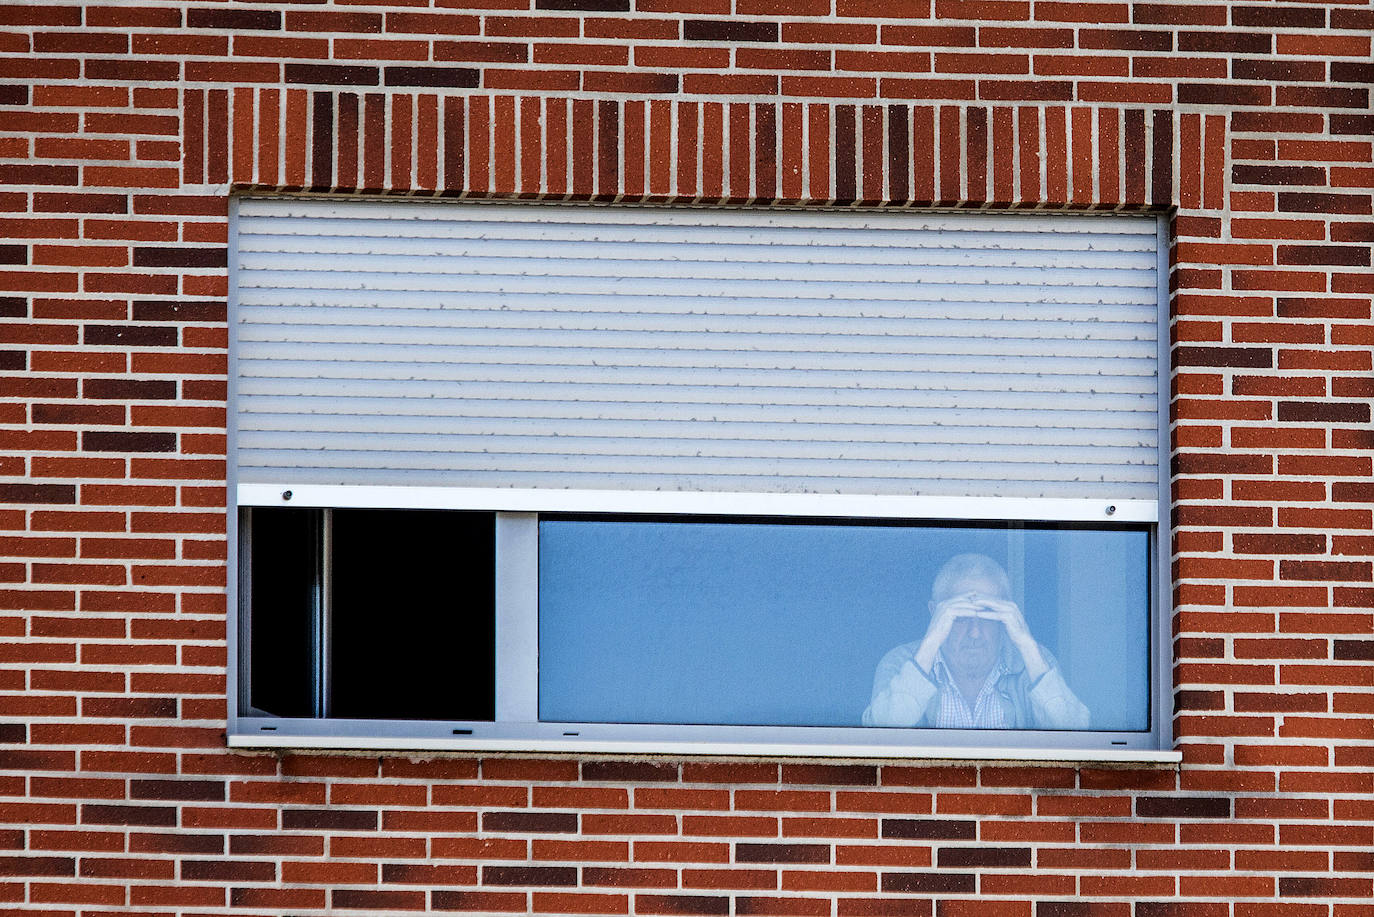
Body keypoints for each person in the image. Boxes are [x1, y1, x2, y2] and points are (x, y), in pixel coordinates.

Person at [862, 553, 1089, 730]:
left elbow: (1077, 734)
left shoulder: (1034, 662)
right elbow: (880, 733)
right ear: (936, 614)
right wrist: (930, 642)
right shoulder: (902, 662)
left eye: (988, 613)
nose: (975, 632)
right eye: (960, 616)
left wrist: (1026, 643)